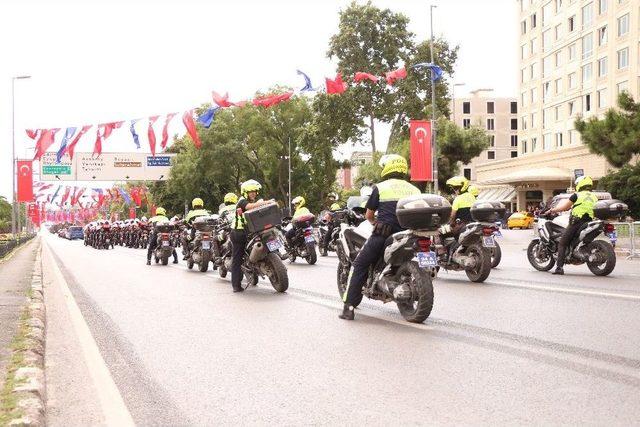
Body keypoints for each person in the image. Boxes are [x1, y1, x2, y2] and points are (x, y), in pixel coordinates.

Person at [339, 154, 421, 320]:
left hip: (384, 235)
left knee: (359, 264)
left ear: (388, 168)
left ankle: (348, 307)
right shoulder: (415, 189)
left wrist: (376, 221)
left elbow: (369, 215)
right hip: (410, 234)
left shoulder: (381, 187)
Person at [546, 175, 598, 275]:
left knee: (562, 242)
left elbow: (565, 207)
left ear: (580, 184)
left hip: (577, 222)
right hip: (589, 222)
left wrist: (552, 210)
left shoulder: (576, 195)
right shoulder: (594, 196)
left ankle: (559, 268)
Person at [231, 180, 273, 293]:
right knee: (237, 259)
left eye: (254, 191)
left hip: (250, 231)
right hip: (238, 233)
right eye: (250, 192)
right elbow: (249, 206)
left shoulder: (255, 201)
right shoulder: (242, 201)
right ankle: (236, 285)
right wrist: (267, 202)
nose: (253, 194)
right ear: (245, 192)